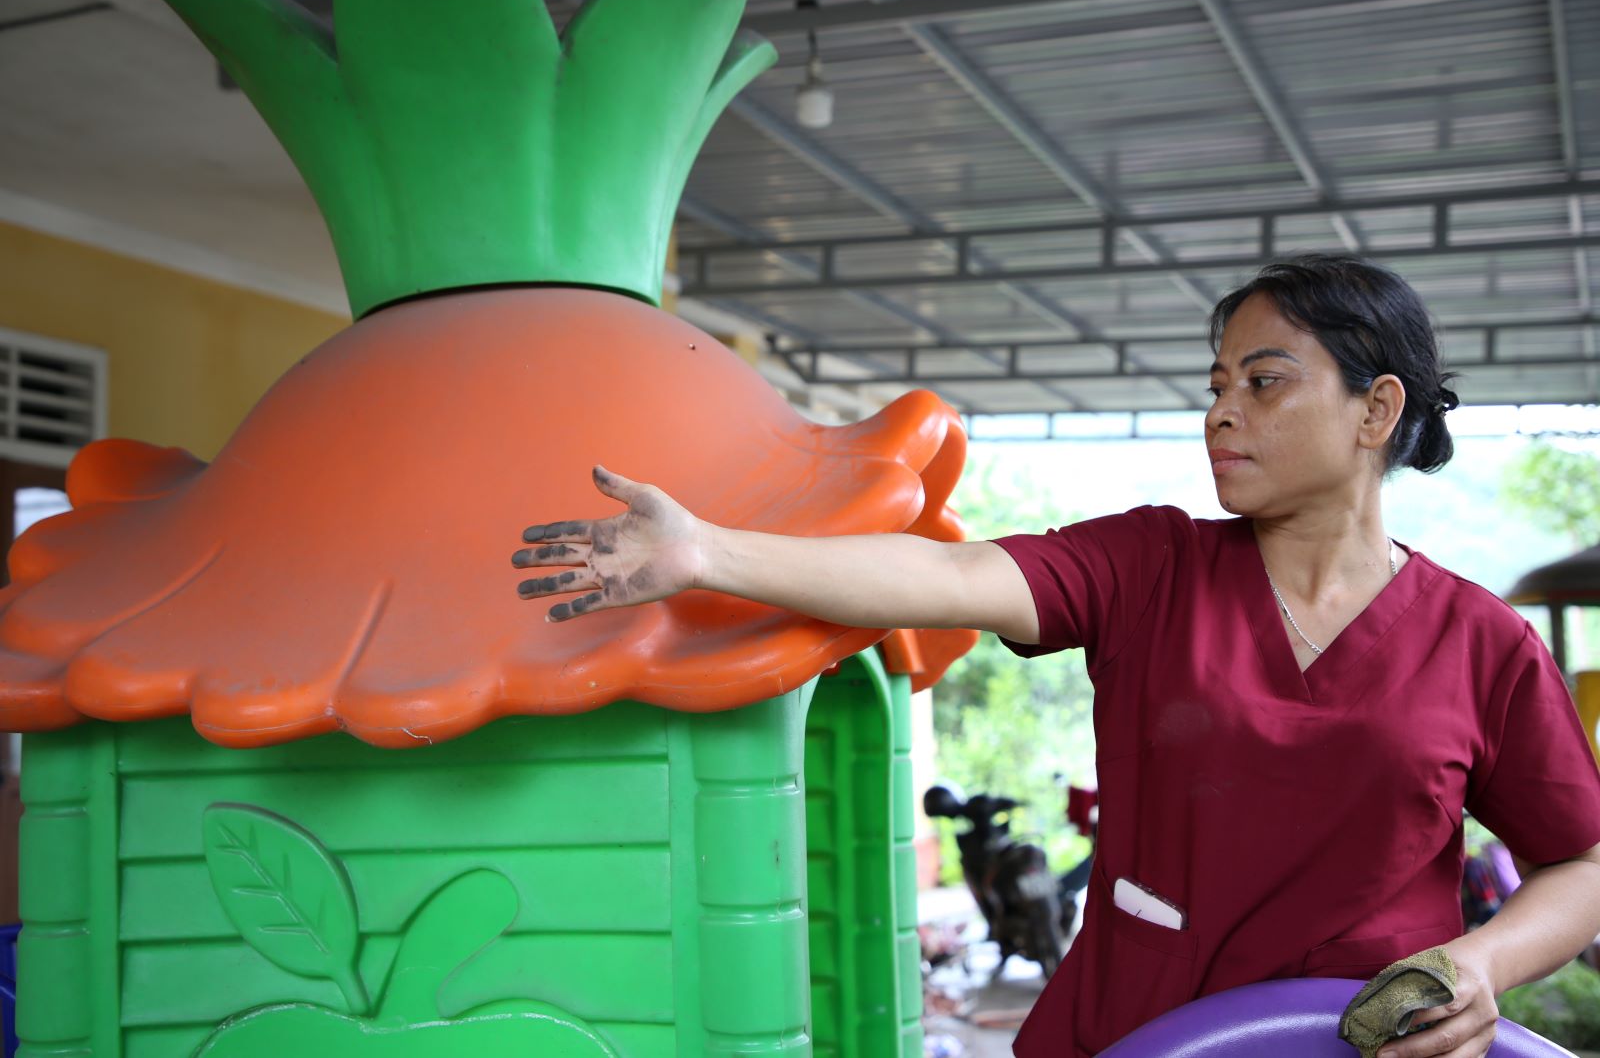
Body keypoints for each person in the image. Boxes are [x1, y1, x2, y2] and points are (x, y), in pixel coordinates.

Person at [512, 254, 1600, 1058]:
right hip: (1133, 1033)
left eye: (1261, 382)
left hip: (1361, 1045)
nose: (1220, 412)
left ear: (1376, 409)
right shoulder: (1151, 564)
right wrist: (704, 549)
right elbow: (944, 576)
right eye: (1215, 383)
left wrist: (1481, 962)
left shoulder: (1480, 641)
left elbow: (1583, 863)